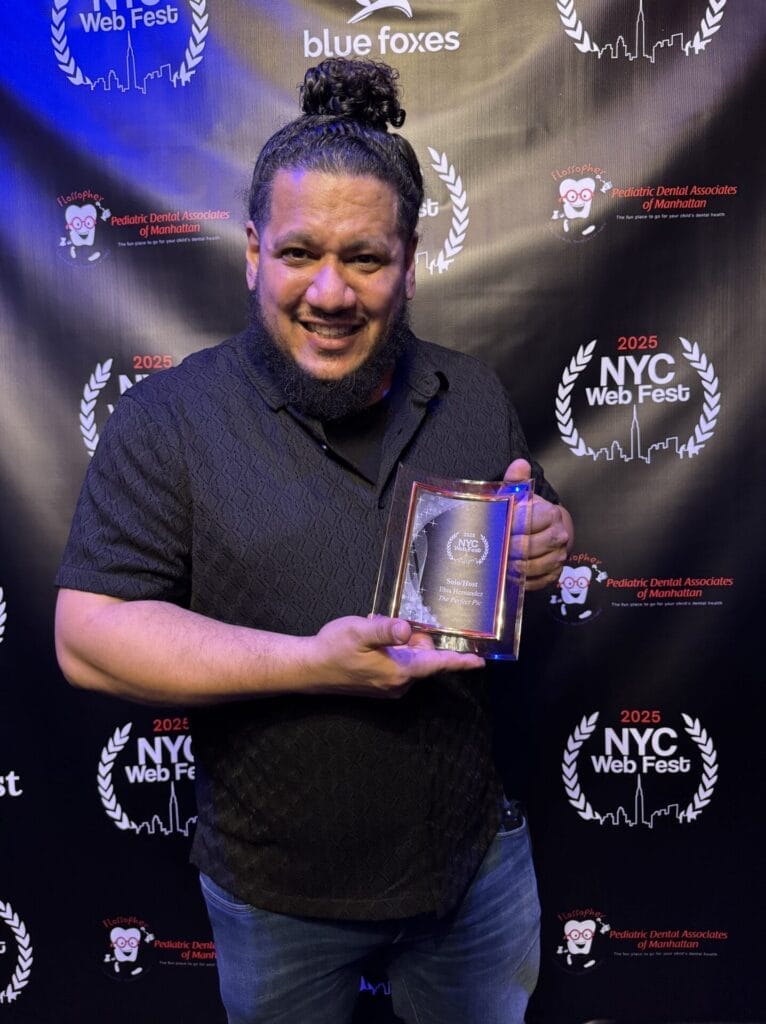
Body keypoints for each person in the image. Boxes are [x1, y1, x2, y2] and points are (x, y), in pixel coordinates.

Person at [55, 58, 572, 1024]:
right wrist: (311, 663)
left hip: (474, 869)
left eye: (366, 259)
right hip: (275, 897)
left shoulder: (473, 394)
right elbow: (87, 635)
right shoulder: (168, 419)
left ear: (409, 262)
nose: (330, 292)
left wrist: (546, 535)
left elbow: (523, 522)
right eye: (300, 253)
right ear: (252, 252)